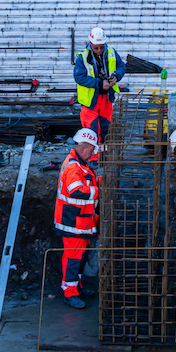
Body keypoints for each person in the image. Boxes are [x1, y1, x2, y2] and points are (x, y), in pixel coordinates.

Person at [54, 128, 100, 309]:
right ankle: (70, 293)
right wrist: (99, 191)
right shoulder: (73, 166)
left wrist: (101, 181)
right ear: (83, 148)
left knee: (79, 258)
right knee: (73, 258)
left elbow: (89, 181)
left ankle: (76, 287)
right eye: (92, 149)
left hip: (81, 222)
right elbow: (77, 190)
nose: (94, 152)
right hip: (73, 222)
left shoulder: (82, 164)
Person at [73, 26, 125, 157]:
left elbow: (121, 66)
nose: (99, 50)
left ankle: (105, 156)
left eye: (101, 47)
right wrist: (100, 84)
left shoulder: (111, 52)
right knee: (92, 131)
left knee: (107, 129)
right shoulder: (83, 57)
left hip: (106, 99)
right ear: (90, 44)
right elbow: (79, 77)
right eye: (96, 48)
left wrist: (115, 77)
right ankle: (93, 158)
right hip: (90, 101)